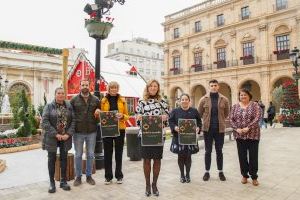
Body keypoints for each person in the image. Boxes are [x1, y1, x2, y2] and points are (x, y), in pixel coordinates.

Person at [136, 79, 169, 197]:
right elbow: (137, 118)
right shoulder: (141, 102)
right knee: (146, 160)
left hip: (158, 135)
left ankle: (154, 184)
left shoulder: (163, 101)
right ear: (148, 88)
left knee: (157, 160)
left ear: (158, 88)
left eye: (155, 86)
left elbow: (168, 116)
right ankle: (147, 185)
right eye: (151, 86)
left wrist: (166, 117)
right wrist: (139, 117)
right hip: (145, 135)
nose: (153, 88)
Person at [94, 81, 129, 184]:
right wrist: (97, 112)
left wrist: (122, 116)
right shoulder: (103, 100)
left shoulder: (123, 100)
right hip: (107, 129)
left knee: (119, 153)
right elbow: (98, 115)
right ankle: (108, 177)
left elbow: (127, 115)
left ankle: (119, 176)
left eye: (115, 88)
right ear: (108, 89)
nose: (114, 89)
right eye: (112, 88)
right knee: (108, 153)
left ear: (118, 89)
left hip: (120, 129)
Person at [42, 87, 75, 193]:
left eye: (62, 93)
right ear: (55, 94)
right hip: (52, 137)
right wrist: (56, 134)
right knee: (51, 159)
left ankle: (63, 181)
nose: (61, 95)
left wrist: (68, 134)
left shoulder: (69, 105)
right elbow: (44, 122)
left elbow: (73, 121)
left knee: (64, 158)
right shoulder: (49, 106)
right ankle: (52, 183)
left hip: (65, 137)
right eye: (58, 93)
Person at [197, 79, 230, 181]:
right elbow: (199, 113)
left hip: (220, 129)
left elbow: (226, 113)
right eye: (211, 85)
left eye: (215, 85)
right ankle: (207, 172)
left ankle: (220, 172)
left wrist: (220, 121)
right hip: (208, 129)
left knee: (219, 151)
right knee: (208, 151)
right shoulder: (203, 99)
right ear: (209, 87)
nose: (213, 87)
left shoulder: (224, 99)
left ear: (218, 86)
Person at [70, 79, 100, 186]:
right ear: (80, 86)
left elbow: (100, 112)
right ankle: (78, 177)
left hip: (92, 131)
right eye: (83, 85)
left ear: (89, 86)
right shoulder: (73, 100)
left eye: (86, 85)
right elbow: (70, 115)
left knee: (90, 154)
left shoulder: (96, 100)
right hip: (78, 132)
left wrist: (99, 111)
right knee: (78, 155)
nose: (84, 86)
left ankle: (88, 176)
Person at [230, 88, 261, 186]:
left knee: (253, 157)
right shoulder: (235, 106)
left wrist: (248, 127)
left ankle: (254, 177)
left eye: (245, 95)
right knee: (242, 157)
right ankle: (244, 175)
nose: (243, 96)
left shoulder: (255, 105)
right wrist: (236, 129)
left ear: (249, 96)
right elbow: (231, 119)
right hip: (239, 136)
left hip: (253, 135)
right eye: (241, 95)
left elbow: (258, 117)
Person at [169, 93, 201, 183]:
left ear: (189, 101)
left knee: (188, 156)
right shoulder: (175, 111)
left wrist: (198, 127)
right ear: (179, 101)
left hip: (190, 138)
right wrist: (175, 127)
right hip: (178, 138)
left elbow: (199, 121)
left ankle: (188, 174)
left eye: (186, 99)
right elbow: (170, 121)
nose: (184, 101)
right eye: (182, 99)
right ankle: (182, 175)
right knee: (180, 156)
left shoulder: (194, 111)